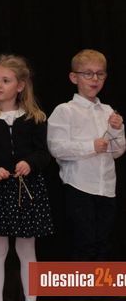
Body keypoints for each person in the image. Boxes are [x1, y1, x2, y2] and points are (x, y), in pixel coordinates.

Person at [0, 54, 53, 301]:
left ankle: (31, 298)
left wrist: (30, 163)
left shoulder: (34, 118)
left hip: (27, 190)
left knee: (26, 249)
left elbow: (44, 153)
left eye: (5, 80)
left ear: (20, 85)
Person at [47, 49, 125, 261]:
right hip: (79, 187)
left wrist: (117, 130)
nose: (95, 79)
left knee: (104, 243)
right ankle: (82, 283)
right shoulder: (65, 110)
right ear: (74, 77)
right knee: (84, 244)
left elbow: (118, 151)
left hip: (106, 187)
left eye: (100, 74)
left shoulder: (108, 111)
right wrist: (91, 146)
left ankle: (98, 283)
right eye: (88, 74)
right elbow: (57, 148)